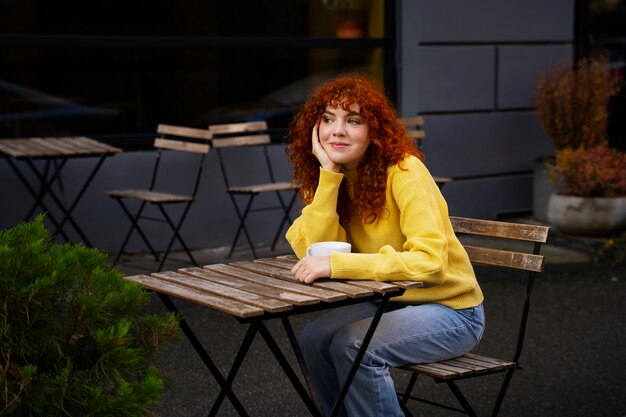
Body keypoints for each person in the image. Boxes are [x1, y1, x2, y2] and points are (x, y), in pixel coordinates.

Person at [285, 73, 485, 417]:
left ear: (373, 130)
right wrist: (328, 176)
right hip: (391, 302)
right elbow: (314, 250)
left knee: (354, 346)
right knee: (313, 341)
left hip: (452, 312)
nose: (338, 131)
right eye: (328, 120)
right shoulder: (328, 176)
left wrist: (340, 265)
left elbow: (430, 263)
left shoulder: (405, 172)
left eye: (353, 121)